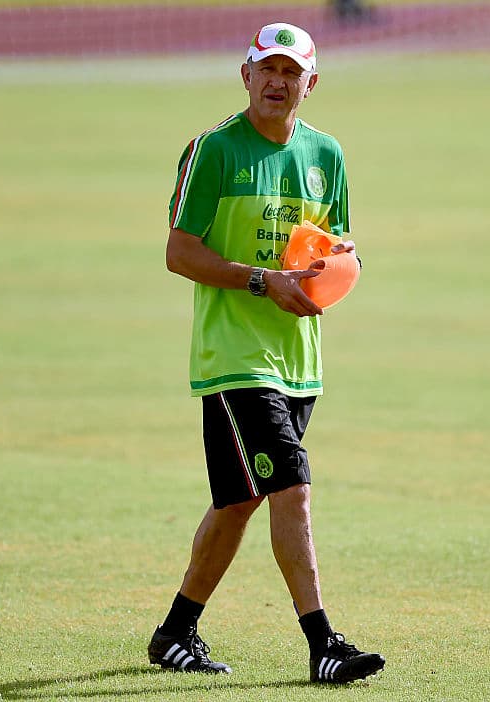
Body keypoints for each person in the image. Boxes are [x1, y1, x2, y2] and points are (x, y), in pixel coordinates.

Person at [146, 22, 385, 685]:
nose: (278, 82)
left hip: (299, 361)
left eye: (291, 72)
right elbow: (179, 252)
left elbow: (334, 247)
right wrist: (261, 281)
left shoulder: (326, 155)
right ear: (245, 75)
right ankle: (323, 643)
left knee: (238, 503)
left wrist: (343, 268)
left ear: (311, 83)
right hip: (235, 358)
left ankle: (174, 633)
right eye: (266, 70)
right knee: (293, 489)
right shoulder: (214, 151)